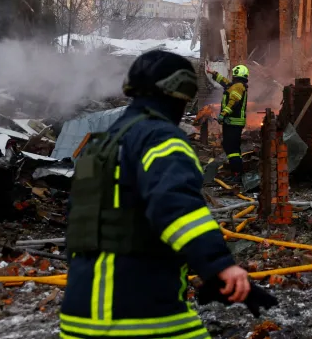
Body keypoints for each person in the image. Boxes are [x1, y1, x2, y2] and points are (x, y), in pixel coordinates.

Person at [61, 50, 257, 339]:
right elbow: (176, 207)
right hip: (139, 312)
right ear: (178, 94)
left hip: (78, 316)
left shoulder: (99, 148)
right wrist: (219, 265)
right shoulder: (161, 140)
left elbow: (77, 220)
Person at [208, 64, 249, 182]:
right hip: (231, 123)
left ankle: (237, 174)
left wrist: (223, 115)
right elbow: (226, 83)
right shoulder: (236, 85)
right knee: (229, 146)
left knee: (233, 148)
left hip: (233, 123)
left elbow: (233, 102)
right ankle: (235, 172)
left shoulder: (238, 87)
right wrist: (214, 74)